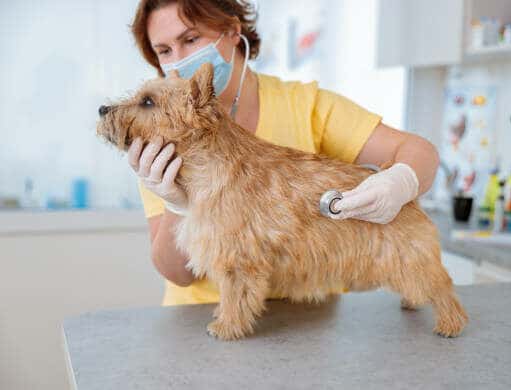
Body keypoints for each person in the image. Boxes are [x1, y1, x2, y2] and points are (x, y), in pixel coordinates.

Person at [129, 0, 440, 306]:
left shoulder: (305, 106)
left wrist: (400, 182)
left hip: (309, 321)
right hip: (202, 322)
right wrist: (177, 207)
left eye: (191, 39)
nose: (180, 61)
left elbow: (418, 151)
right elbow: (178, 274)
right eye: (165, 51)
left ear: (233, 31)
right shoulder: (160, 130)